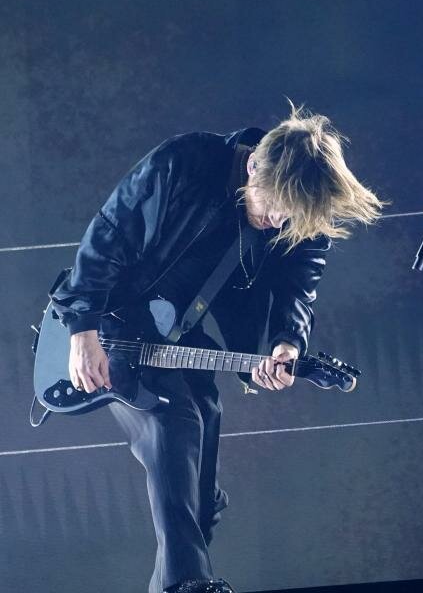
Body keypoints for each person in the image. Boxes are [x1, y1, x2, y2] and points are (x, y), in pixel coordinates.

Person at [51, 105, 383, 593]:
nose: (278, 220)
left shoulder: (299, 210)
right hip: (115, 322)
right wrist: (81, 327)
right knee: (174, 417)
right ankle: (186, 585)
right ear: (254, 166)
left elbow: (299, 285)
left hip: (181, 336)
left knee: (201, 447)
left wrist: (288, 341)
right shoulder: (183, 163)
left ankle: (183, 575)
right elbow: (111, 231)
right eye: (274, 206)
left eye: (292, 216)